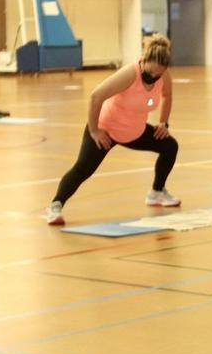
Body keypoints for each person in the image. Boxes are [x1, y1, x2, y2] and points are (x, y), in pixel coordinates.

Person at [46, 35, 180, 225]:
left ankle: (157, 193)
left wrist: (163, 123)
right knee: (83, 169)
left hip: (134, 132)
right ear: (144, 60)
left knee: (169, 146)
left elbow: (168, 95)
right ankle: (55, 205)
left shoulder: (163, 75)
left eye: (158, 74)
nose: (153, 77)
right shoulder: (129, 74)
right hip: (106, 130)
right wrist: (94, 130)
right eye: (150, 73)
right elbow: (96, 96)